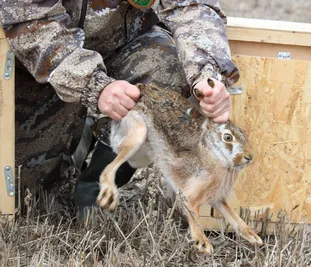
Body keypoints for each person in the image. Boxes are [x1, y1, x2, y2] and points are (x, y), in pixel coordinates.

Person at [0, 0, 240, 217]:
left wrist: (206, 76)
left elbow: (193, 6)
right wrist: (94, 85)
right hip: (38, 67)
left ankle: (96, 186)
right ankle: (80, 127)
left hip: (121, 45)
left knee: (171, 73)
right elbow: (30, 19)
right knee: (26, 197)